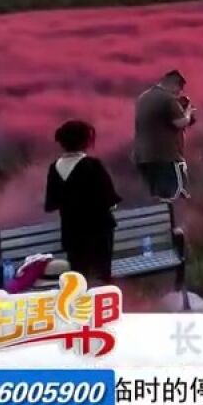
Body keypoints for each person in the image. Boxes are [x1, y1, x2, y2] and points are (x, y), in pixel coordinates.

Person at [45, 120, 120, 284]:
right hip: (99, 231)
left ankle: (80, 307)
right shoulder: (93, 165)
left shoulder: (54, 168)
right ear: (85, 141)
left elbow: (51, 204)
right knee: (102, 276)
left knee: (79, 278)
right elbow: (110, 199)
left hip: (72, 233)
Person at [133, 70, 196, 202]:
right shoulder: (168, 99)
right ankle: (174, 222)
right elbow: (180, 123)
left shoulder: (143, 97)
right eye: (179, 90)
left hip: (143, 157)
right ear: (175, 86)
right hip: (167, 157)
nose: (179, 94)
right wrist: (188, 112)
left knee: (155, 198)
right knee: (176, 196)